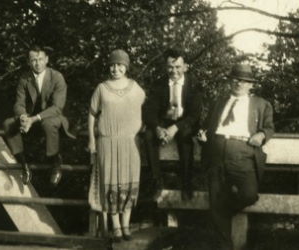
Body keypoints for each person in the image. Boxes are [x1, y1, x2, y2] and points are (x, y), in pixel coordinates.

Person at [199, 64, 274, 250]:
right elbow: (208, 125)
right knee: (215, 197)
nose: (238, 83)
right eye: (235, 79)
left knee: (248, 194)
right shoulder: (219, 102)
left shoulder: (260, 104)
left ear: (250, 85)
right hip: (216, 150)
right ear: (230, 81)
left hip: (243, 151)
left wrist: (262, 135)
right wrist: (203, 136)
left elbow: (269, 127)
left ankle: (221, 211)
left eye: (244, 80)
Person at [87, 49, 145, 242]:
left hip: (129, 143)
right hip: (107, 142)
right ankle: (116, 227)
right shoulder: (102, 88)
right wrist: (92, 139)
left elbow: (146, 108)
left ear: (126, 67)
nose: (115, 69)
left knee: (128, 182)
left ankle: (126, 224)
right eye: (112, 65)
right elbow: (92, 114)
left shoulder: (135, 88)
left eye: (120, 65)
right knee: (110, 183)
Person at [3, 45, 74, 187]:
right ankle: (24, 166)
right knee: (8, 123)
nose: (37, 63)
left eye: (40, 59)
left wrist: (33, 119)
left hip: (54, 118)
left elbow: (57, 107)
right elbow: (19, 103)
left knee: (48, 123)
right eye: (33, 60)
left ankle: (55, 163)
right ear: (29, 62)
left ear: (47, 59)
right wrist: (23, 116)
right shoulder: (25, 78)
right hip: (31, 119)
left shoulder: (57, 77)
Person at [143, 49, 203, 200]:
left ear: (185, 67)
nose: (174, 71)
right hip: (164, 121)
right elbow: (149, 111)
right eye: (170, 67)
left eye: (178, 67)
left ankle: (186, 184)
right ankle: (156, 181)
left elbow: (195, 115)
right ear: (165, 67)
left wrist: (176, 128)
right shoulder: (158, 84)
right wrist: (158, 128)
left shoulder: (195, 85)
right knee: (149, 135)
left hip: (185, 122)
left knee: (185, 136)